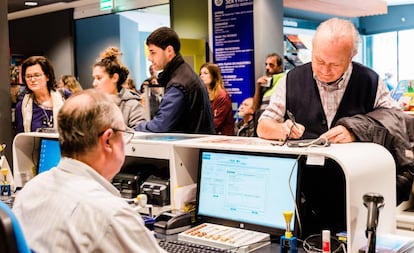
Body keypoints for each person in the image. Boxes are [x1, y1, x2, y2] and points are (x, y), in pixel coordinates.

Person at [257, 17, 414, 205]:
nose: (324, 70)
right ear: (313, 49)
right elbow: (263, 126)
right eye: (319, 60)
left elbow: (396, 120)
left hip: (358, 192)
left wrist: (356, 129)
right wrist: (281, 129)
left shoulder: (369, 81)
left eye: (335, 64)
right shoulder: (292, 79)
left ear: (352, 55)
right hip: (304, 195)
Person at [12, 89, 167, 253]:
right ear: (107, 140)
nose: (126, 142)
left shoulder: (30, 190)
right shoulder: (110, 214)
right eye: (124, 133)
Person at [135, 27, 215, 134]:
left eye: (153, 52)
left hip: (189, 148)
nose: (149, 58)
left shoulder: (178, 83)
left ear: (169, 51)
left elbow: (160, 125)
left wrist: (135, 128)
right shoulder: (184, 74)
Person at [93, 46, 146, 129]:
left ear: (114, 78)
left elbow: (139, 136)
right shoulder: (93, 105)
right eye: (94, 78)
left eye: (99, 78)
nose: (94, 83)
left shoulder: (133, 106)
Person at [15, 56, 66, 133]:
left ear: (47, 77)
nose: (32, 79)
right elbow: (21, 138)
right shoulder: (22, 106)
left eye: (37, 75)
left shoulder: (66, 97)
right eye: (28, 76)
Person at [199, 62, 233, 135]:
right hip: (207, 135)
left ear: (214, 76)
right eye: (201, 74)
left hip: (222, 137)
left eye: (205, 73)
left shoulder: (222, 96)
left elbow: (216, 123)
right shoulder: (203, 94)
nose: (202, 76)